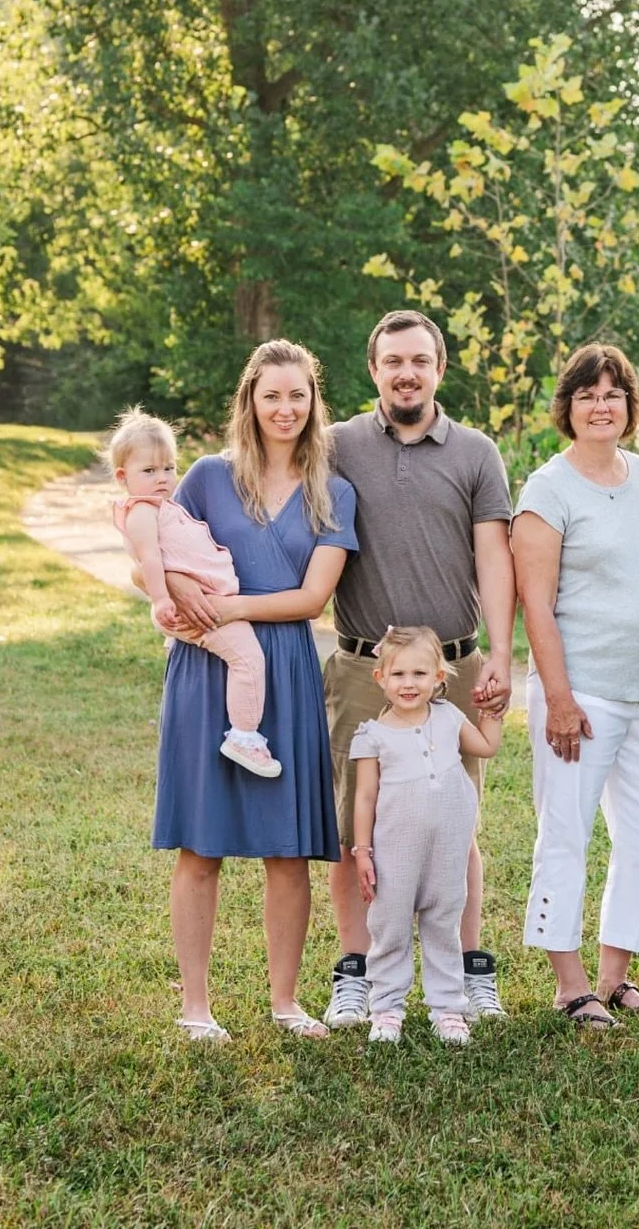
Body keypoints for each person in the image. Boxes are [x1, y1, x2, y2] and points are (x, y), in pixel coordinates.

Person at [148, 339, 358, 1041]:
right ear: (251, 400)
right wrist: (180, 591)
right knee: (200, 845)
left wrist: (230, 607)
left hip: (286, 670)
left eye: (297, 395)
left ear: (313, 402)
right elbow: (150, 557)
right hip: (206, 669)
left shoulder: (333, 492)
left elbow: (312, 598)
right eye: (272, 395)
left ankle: (286, 1002)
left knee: (288, 850)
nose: (285, 408)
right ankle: (196, 1007)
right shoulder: (207, 478)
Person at [322, 310, 516, 1028]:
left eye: (420, 361)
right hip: (362, 671)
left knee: (453, 823)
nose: (407, 374)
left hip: (454, 671)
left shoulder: (476, 453)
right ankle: (358, 973)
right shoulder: (337, 446)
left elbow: (494, 558)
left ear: (440, 369)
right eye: (393, 361)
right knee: (355, 828)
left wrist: (502, 654)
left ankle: (466, 971)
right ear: (373, 370)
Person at [512, 344, 639, 1027]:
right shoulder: (547, 489)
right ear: (568, 407)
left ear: (630, 406)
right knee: (566, 835)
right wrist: (558, 697)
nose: (601, 405)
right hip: (581, 694)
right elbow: (535, 602)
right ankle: (569, 984)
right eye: (587, 395)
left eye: (613, 394)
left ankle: (613, 980)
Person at [350, 627, 504, 1046]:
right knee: (390, 927)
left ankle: (448, 1008)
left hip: (447, 847)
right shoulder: (372, 735)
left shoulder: (450, 718)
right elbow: (364, 798)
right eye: (398, 674)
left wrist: (492, 712)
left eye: (419, 674)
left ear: (438, 677)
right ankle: (387, 1008)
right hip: (395, 851)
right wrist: (362, 851)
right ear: (381, 678)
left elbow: (486, 747)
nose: (409, 683)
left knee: (443, 923)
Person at [110, 407, 280, 778]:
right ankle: (244, 735)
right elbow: (150, 560)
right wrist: (161, 600)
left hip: (204, 604)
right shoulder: (142, 512)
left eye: (169, 468)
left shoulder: (163, 507)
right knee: (248, 660)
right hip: (202, 609)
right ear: (123, 477)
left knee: (245, 658)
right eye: (149, 471)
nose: (162, 478)